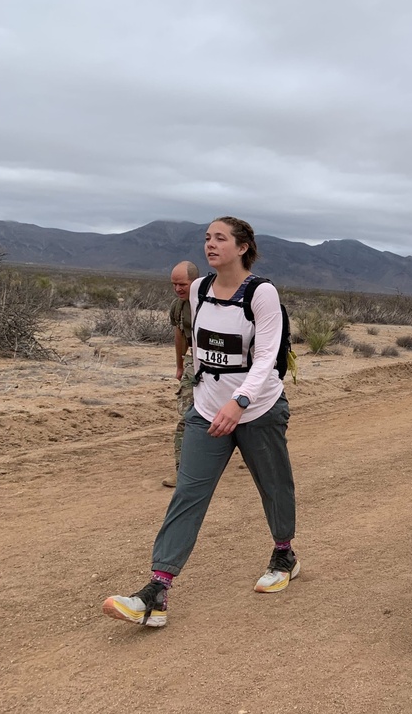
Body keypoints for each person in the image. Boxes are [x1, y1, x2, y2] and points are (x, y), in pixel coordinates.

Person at [103, 217, 299, 628]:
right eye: (207, 238)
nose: (210, 244)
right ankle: (156, 591)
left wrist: (240, 402)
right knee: (188, 494)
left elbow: (265, 357)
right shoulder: (198, 288)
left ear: (243, 247)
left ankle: (284, 553)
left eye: (220, 238)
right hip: (207, 412)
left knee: (273, 483)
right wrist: (201, 392)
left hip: (257, 410)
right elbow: (200, 347)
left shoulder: (262, 294)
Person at [163, 261, 199, 488]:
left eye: (182, 284)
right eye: (174, 284)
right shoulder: (178, 307)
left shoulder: (216, 299)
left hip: (226, 366)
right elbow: (180, 335)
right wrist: (180, 365)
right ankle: (182, 471)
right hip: (193, 362)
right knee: (188, 415)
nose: (178, 289)